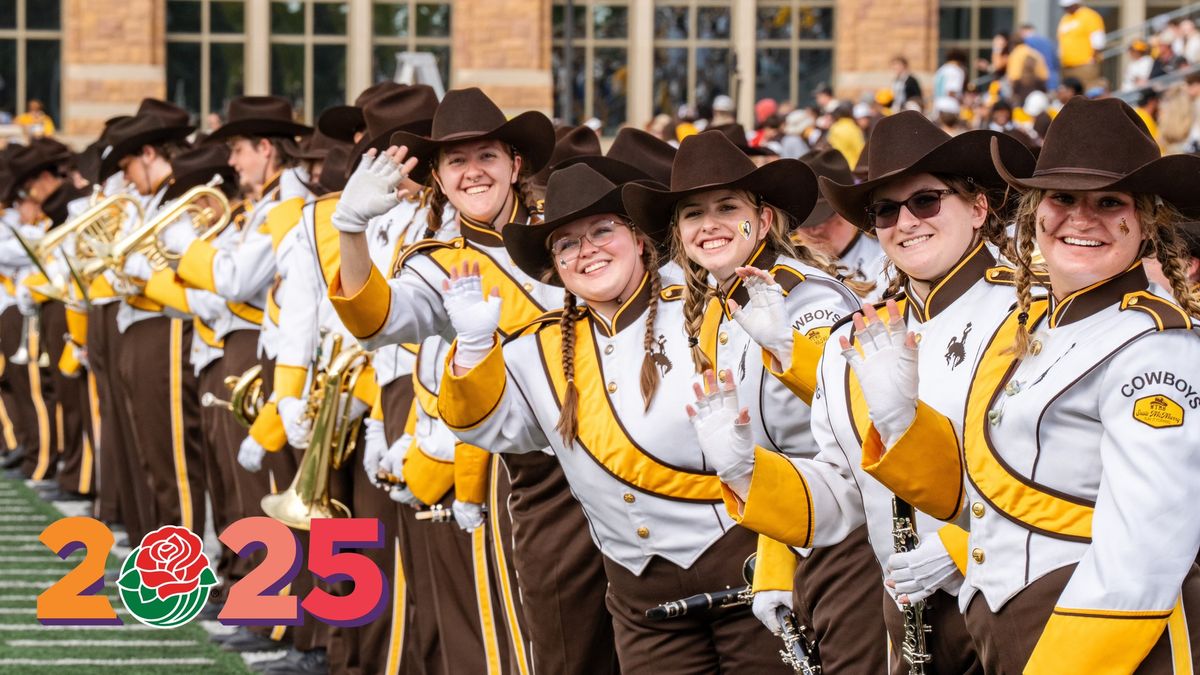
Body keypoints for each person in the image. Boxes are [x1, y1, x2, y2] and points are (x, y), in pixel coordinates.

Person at [858, 96, 1200, 673]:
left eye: (1108, 202)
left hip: (1102, 642)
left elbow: (1143, 556)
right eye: (1062, 198)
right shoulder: (1031, 328)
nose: (1080, 218)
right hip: (1003, 626)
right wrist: (900, 421)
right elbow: (987, 493)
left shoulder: (1157, 347)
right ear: (1035, 213)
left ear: (1143, 224)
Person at [694, 110, 1036, 675]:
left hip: (1012, 602)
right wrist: (745, 474)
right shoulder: (853, 338)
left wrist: (960, 549)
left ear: (978, 208)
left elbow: (1070, 480)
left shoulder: (1033, 313)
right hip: (910, 615)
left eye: (926, 201)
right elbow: (842, 490)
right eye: (885, 210)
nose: (906, 222)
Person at [438, 160, 795, 674]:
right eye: (566, 244)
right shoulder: (532, 351)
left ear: (642, 241)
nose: (587, 252)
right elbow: (488, 429)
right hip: (639, 597)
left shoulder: (707, 315)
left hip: (744, 569)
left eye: (603, 230)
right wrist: (473, 348)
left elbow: (781, 434)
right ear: (554, 266)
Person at [1058, 1, 1106, 87]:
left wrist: (1093, 59)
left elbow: (1098, 40)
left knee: (1088, 93)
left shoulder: (1089, 16)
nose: (1067, 10)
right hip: (1067, 66)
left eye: (1069, 7)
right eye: (1065, 8)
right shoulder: (1065, 19)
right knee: (1071, 95)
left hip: (1085, 65)